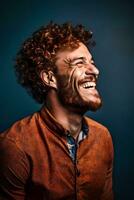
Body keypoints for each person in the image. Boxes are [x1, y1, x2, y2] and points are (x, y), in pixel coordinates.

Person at [0, 22, 114, 200]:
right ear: (50, 78)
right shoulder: (15, 145)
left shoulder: (103, 137)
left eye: (92, 62)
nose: (95, 70)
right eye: (79, 63)